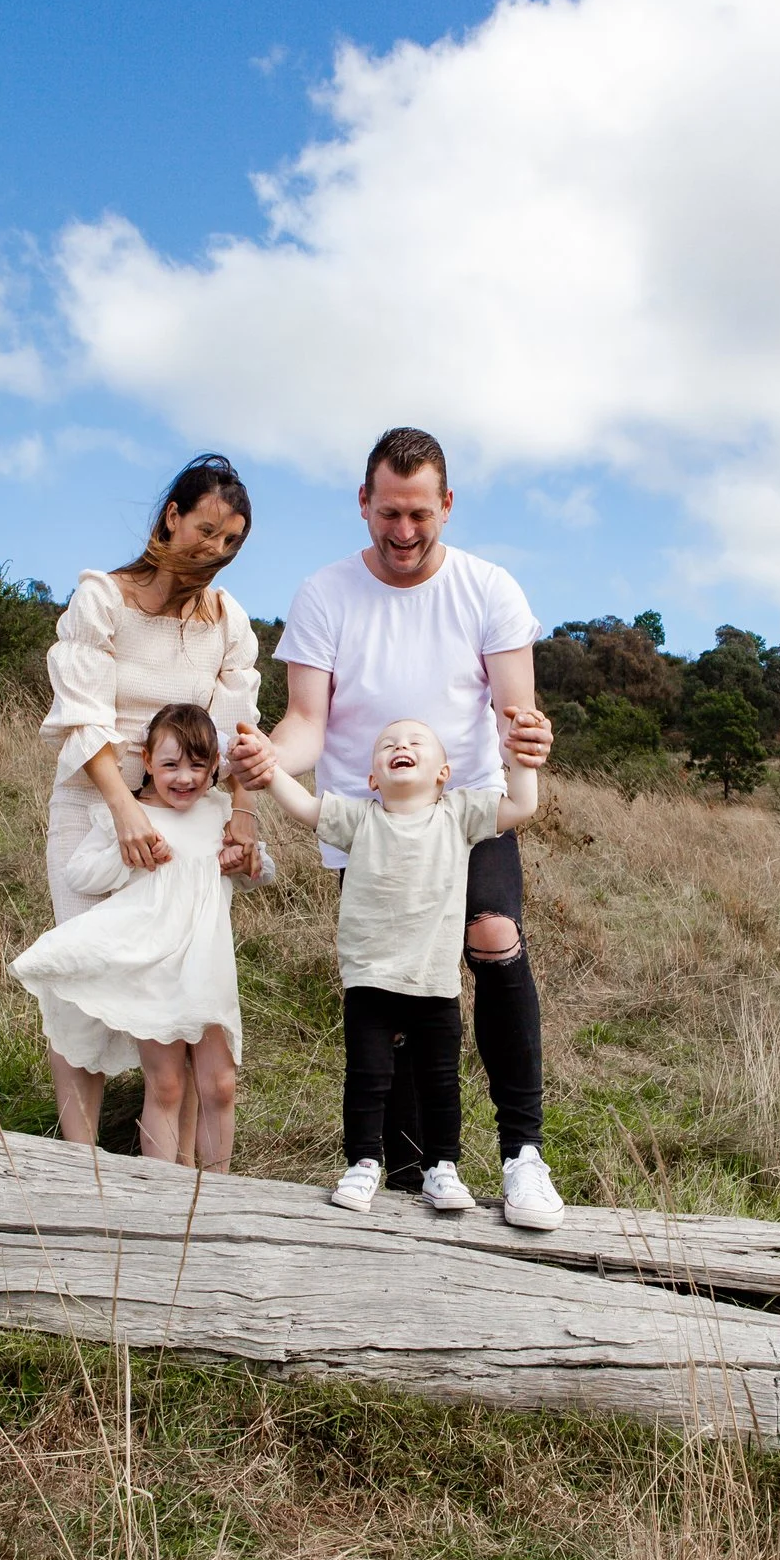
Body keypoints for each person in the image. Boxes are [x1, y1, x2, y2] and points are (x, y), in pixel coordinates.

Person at [229, 427, 566, 1230]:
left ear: (446, 505)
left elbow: (515, 715)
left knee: (490, 931)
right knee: (396, 986)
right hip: (370, 820)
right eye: (389, 514)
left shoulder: (491, 591)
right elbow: (309, 720)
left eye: (421, 514)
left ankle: (523, 1153)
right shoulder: (325, 594)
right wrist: (265, 760)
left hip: (466, 808)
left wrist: (533, 743)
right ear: (363, 504)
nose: (404, 532)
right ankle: (413, 1168)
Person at [39, 454, 264, 1153]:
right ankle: (82, 1163)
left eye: (231, 541)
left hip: (187, 817)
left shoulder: (228, 623)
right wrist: (124, 808)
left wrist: (244, 816)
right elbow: (83, 714)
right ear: (172, 516)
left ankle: (178, 1185)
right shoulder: (103, 599)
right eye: (206, 531)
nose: (216, 551)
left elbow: (236, 735)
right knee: (89, 976)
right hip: (96, 805)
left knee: (182, 993)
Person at [251, 715, 538, 1213]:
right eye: (387, 744)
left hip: (435, 982)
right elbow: (302, 805)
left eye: (414, 742)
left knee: (440, 1082)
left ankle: (441, 1168)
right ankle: (363, 1163)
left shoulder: (460, 814)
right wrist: (268, 762)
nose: (400, 746)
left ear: (444, 772)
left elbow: (523, 804)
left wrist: (518, 759)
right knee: (368, 1077)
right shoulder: (359, 818)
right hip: (369, 980)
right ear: (372, 779)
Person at [11, 705, 272, 1169]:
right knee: (167, 1084)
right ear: (146, 761)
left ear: (215, 767)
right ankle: (160, 1195)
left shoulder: (218, 812)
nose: (185, 778)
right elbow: (82, 873)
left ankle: (218, 1192)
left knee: (220, 1084)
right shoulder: (129, 819)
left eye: (198, 765)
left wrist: (244, 861)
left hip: (207, 968)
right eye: (170, 764)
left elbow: (259, 870)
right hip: (153, 970)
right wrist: (129, 854)